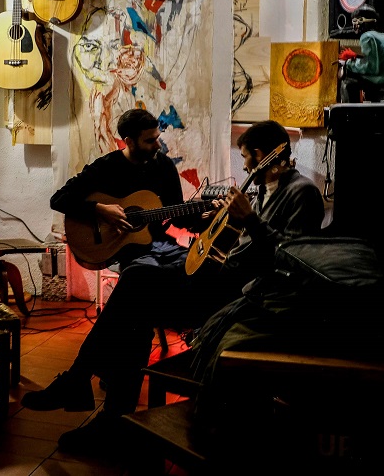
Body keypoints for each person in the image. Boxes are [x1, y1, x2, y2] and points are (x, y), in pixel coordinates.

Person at [23, 118, 325, 454]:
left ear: (260, 155)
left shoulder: (302, 193)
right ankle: (108, 415)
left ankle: (86, 390)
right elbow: (248, 244)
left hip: (234, 295)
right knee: (135, 303)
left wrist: (242, 220)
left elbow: (293, 259)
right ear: (129, 140)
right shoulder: (271, 189)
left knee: (135, 285)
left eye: (245, 158)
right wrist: (228, 222)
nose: (243, 166)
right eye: (150, 139)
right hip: (221, 278)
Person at [51, 107, 192, 269]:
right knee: (145, 274)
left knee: (196, 266)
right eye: (150, 141)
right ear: (129, 142)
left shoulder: (164, 166)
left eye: (157, 138)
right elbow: (58, 200)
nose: (158, 146)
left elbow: (178, 214)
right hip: (126, 250)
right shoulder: (106, 167)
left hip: (159, 245)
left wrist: (207, 215)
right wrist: (101, 209)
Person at [338, 4, 384, 103]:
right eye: (354, 21)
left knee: (347, 82)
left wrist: (349, 64)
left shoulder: (367, 36)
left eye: (359, 20)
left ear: (372, 21)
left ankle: (350, 116)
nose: (355, 24)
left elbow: (372, 67)